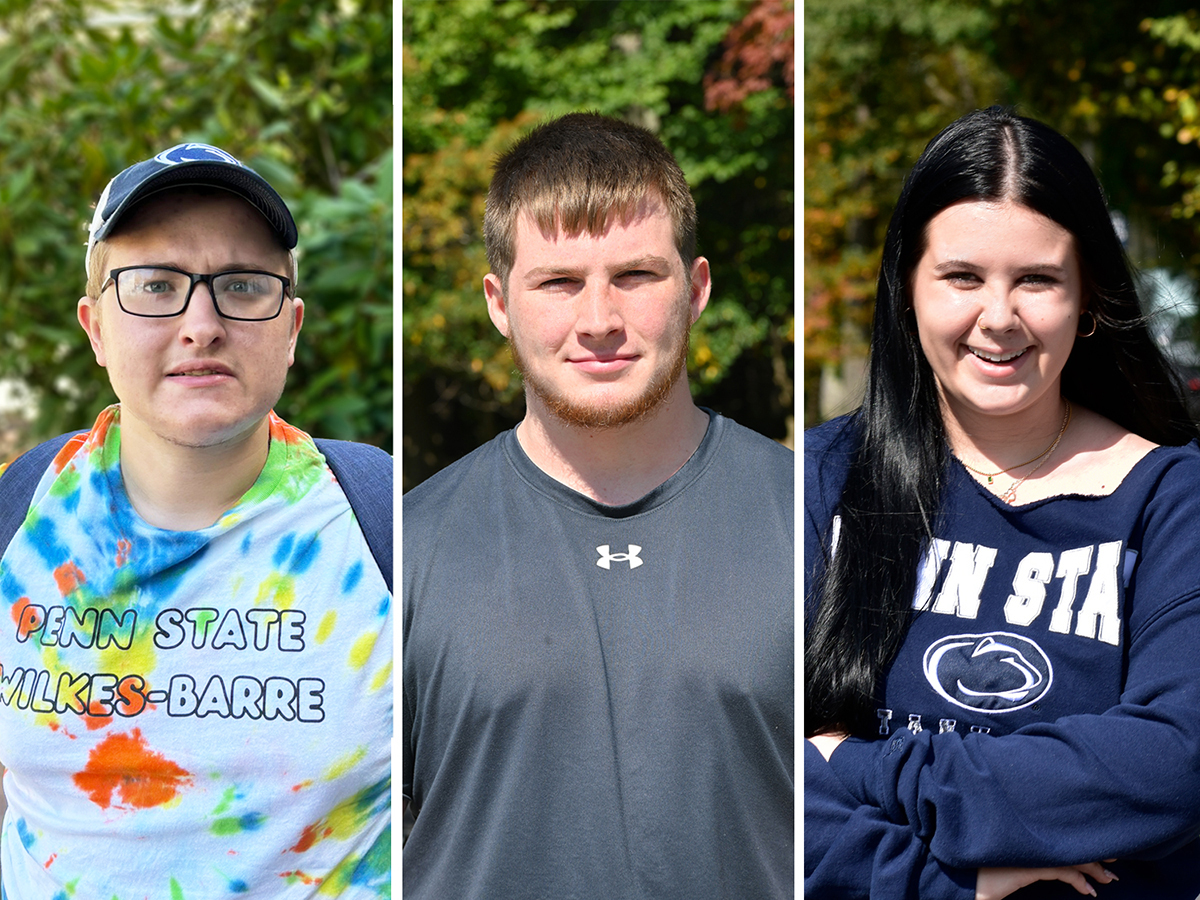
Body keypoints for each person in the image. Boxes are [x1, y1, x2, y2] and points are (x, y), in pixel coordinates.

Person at [804, 105, 1200, 899]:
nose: (998, 317)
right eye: (961, 277)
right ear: (907, 289)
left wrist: (858, 762)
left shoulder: (1173, 499)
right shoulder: (820, 479)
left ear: (1086, 296)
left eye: (1037, 280)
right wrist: (956, 882)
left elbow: (1174, 762)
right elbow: (744, 771)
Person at [402, 112, 794, 899]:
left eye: (637, 276)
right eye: (557, 282)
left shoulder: (813, 521)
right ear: (498, 302)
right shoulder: (403, 545)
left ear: (698, 288)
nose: (599, 321)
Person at [0, 143, 392, 898]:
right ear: (95, 328)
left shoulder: (377, 523)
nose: (202, 324)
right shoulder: (20, 513)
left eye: (243, 286)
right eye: (154, 285)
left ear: (292, 327)